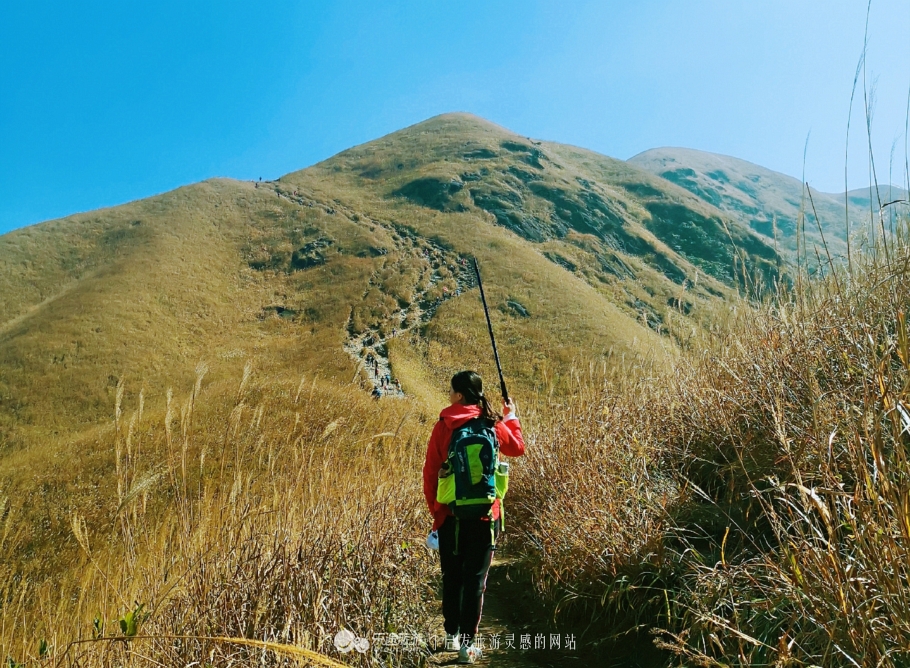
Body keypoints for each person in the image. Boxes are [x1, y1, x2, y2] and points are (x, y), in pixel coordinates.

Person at [422, 371, 524, 664]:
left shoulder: (443, 427)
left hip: (451, 516)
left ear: (459, 395)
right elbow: (517, 448)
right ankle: (467, 646)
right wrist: (511, 415)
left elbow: (430, 474)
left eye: (451, 390)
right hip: (484, 516)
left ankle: (451, 635)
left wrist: (437, 512)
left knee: (452, 577)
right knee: (476, 580)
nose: (448, 394)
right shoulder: (492, 425)